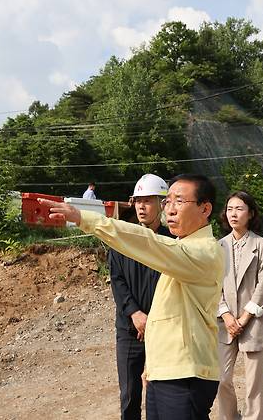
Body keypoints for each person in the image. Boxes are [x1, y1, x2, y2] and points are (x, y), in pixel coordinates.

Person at [39, 174, 224, 419]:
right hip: (166, 370)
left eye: (179, 201)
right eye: (168, 201)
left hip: (185, 375)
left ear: (205, 208)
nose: (170, 209)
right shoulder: (179, 250)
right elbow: (165, 313)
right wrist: (154, 365)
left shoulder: (202, 252)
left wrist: (83, 218)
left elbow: (147, 242)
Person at [109, 174, 171, 420]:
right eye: (138, 201)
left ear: (162, 203)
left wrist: (153, 320)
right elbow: (118, 281)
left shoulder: (172, 242)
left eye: (148, 201)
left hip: (165, 328)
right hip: (129, 329)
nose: (142, 207)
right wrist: (135, 313)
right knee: (130, 394)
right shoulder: (122, 239)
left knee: (162, 393)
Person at [216, 191, 263, 420]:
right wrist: (227, 316)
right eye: (230, 209)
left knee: (254, 384)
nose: (233, 213)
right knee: (221, 378)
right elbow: (213, 285)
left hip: (254, 321)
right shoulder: (218, 246)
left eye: (239, 209)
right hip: (225, 321)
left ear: (250, 213)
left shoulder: (262, 245)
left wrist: (244, 318)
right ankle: (230, 417)